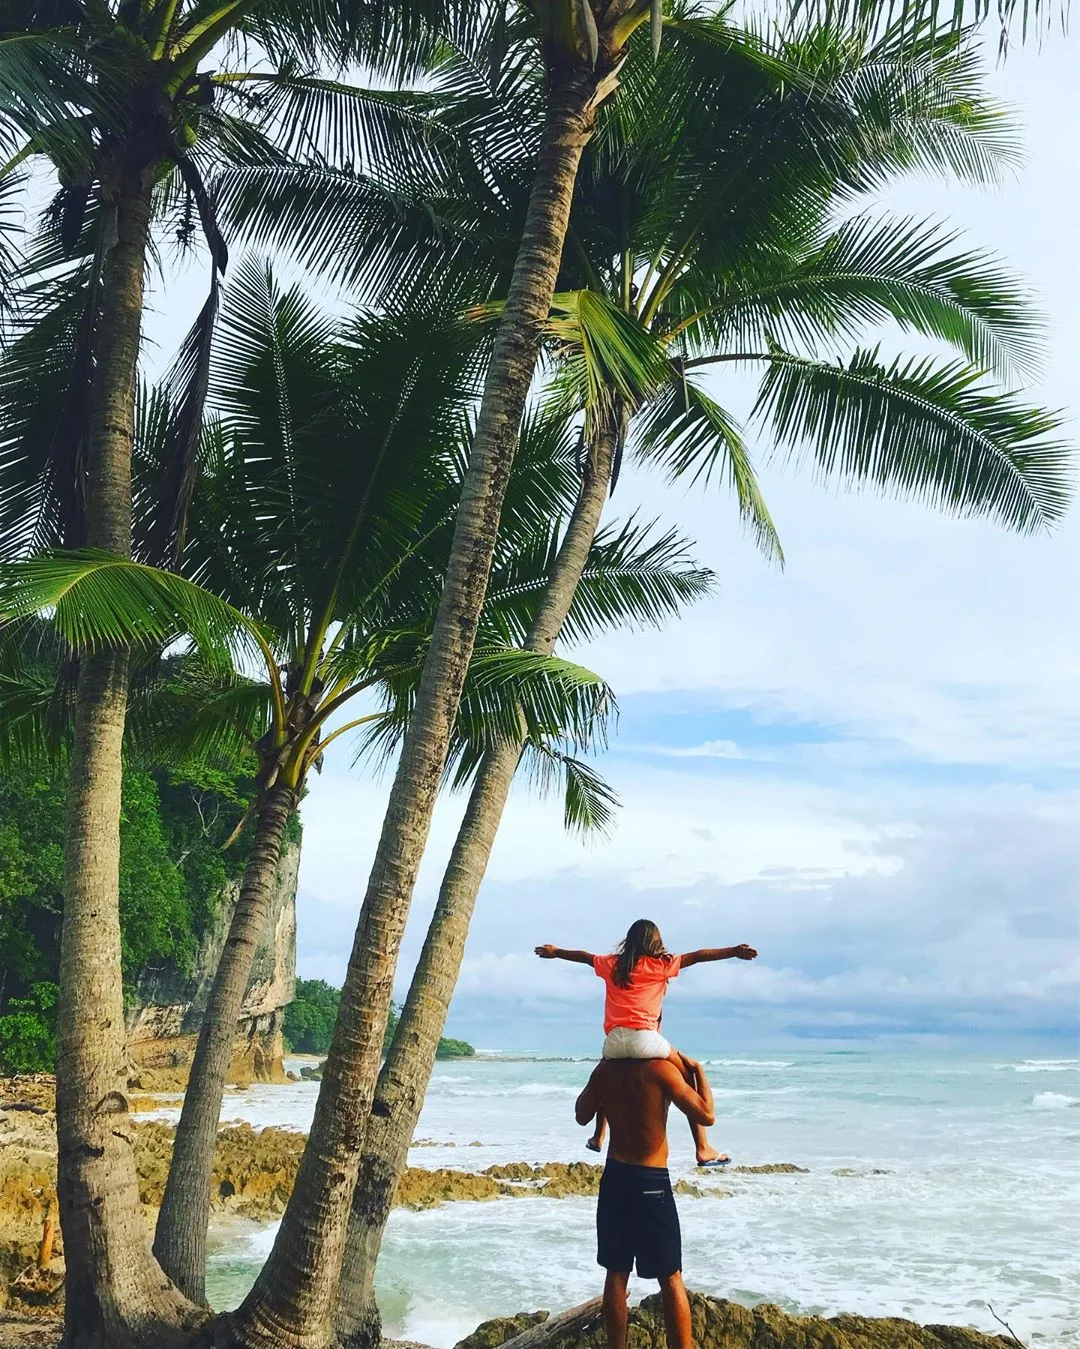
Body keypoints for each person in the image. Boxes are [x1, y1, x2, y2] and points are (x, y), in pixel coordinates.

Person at [535, 919, 756, 1165]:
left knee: (604, 1079)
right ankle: (703, 1148)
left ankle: (598, 1136)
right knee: (686, 1076)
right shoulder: (661, 965)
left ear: (629, 941)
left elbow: (585, 957)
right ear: (655, 942)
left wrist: (556, 953)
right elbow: (698, 956)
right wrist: (734, 951)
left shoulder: (612, 964)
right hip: (645, 1039)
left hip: (613, 1041)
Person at [575, 1054, 715, 1349]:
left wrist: (598, 1076)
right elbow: (707, 1114)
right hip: (651, 1181)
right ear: (655, 1023)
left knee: (616, 1273)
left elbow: (581, 1114)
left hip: (615, 1178)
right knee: (671, 1278)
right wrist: (699, 1071)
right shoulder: (661, 1069)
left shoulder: (606, 1069)